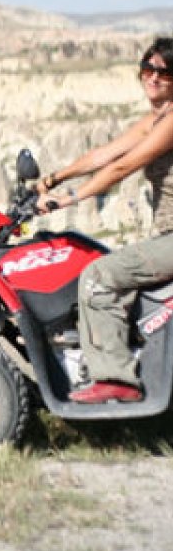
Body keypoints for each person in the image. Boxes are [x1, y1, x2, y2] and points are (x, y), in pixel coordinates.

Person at [36, 37, 173, 404]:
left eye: (165, 71)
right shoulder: (155, 119)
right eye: (148, 69)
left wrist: (71, 199)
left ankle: (117, 378)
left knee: (99, 275)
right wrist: (54, 178)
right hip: (166, 236)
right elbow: (104, 154)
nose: (154, 77)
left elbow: (124, 166)